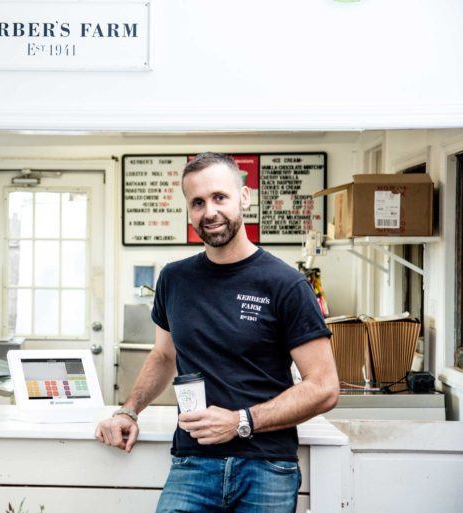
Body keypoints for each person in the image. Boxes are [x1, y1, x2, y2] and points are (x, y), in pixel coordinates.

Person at [95, 152, 339, 513]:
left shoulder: (285, 284)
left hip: (267, 466)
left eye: (219, 197)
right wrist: (128, 411)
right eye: (197, 202)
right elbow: (164, 356)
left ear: (243, 198)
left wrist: (241, 422)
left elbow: (324, 387)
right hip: (193, 464)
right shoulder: (174, 279)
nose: (209, 211)